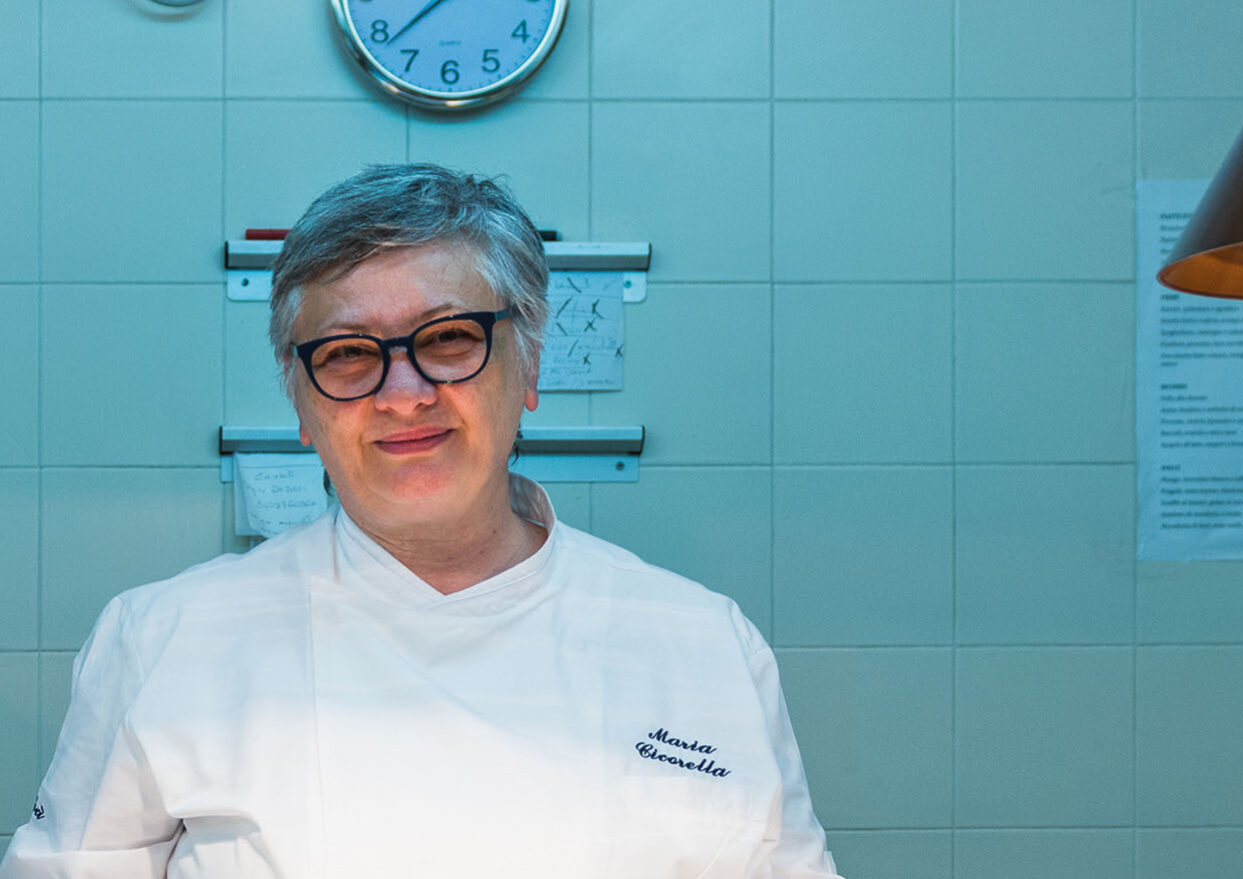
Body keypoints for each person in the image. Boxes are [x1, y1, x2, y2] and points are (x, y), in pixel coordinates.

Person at [0, 164, 842, 879]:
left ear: (529, 366)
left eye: (447, 338)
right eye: (347, 353)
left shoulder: (705, 643)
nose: (402, 394)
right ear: (301, 402)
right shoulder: (165, 638)